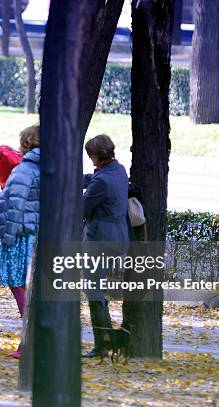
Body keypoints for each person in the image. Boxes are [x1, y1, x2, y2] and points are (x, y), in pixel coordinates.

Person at [81, 134, 130, 358]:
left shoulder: (101, 181)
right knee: (95, 288)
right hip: (117, 237)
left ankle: (106, 341)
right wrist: (77, 179)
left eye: (89, 155)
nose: (89, 158)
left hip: (100, 240)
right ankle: (106, 340)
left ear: (95, 156)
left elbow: (83, 208)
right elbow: (97, 179)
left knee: (93, 289)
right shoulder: (118, 170)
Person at [0, 125, 40, 359]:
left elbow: (15, 205)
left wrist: (8, 237)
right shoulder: (48, 168)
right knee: (28, 289)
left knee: (20, 286)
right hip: (35, 234)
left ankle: (30, 340)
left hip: (21, 235)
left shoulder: (25, 169)